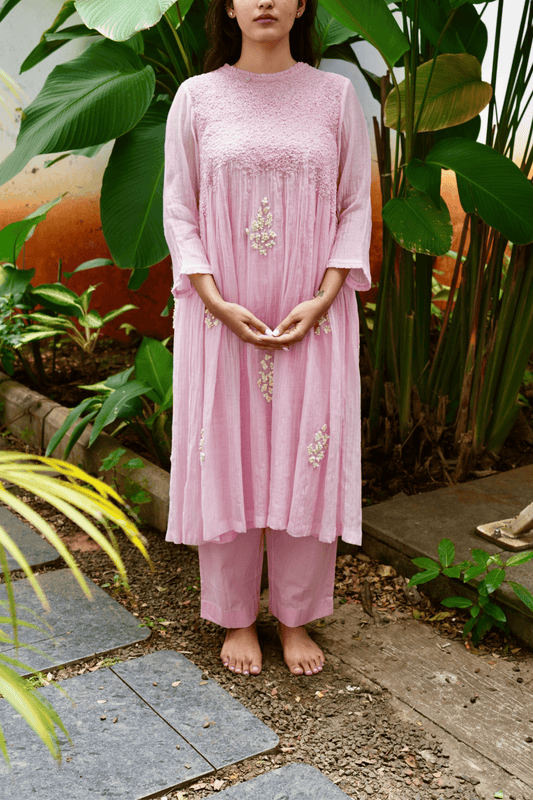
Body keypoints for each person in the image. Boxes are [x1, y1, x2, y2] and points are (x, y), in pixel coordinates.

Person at [163, 0, 371, 678]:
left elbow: (353, 204)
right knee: (225, 448)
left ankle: (296, 615)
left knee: (305, 451)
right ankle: (233, 616)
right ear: (228, 5)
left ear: (301, 5)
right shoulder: (196, 99)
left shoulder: (335, 97)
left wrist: (326, 296)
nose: (265, 2)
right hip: (218, 315)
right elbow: (178, 207)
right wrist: (214, 298)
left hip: (313, 313)